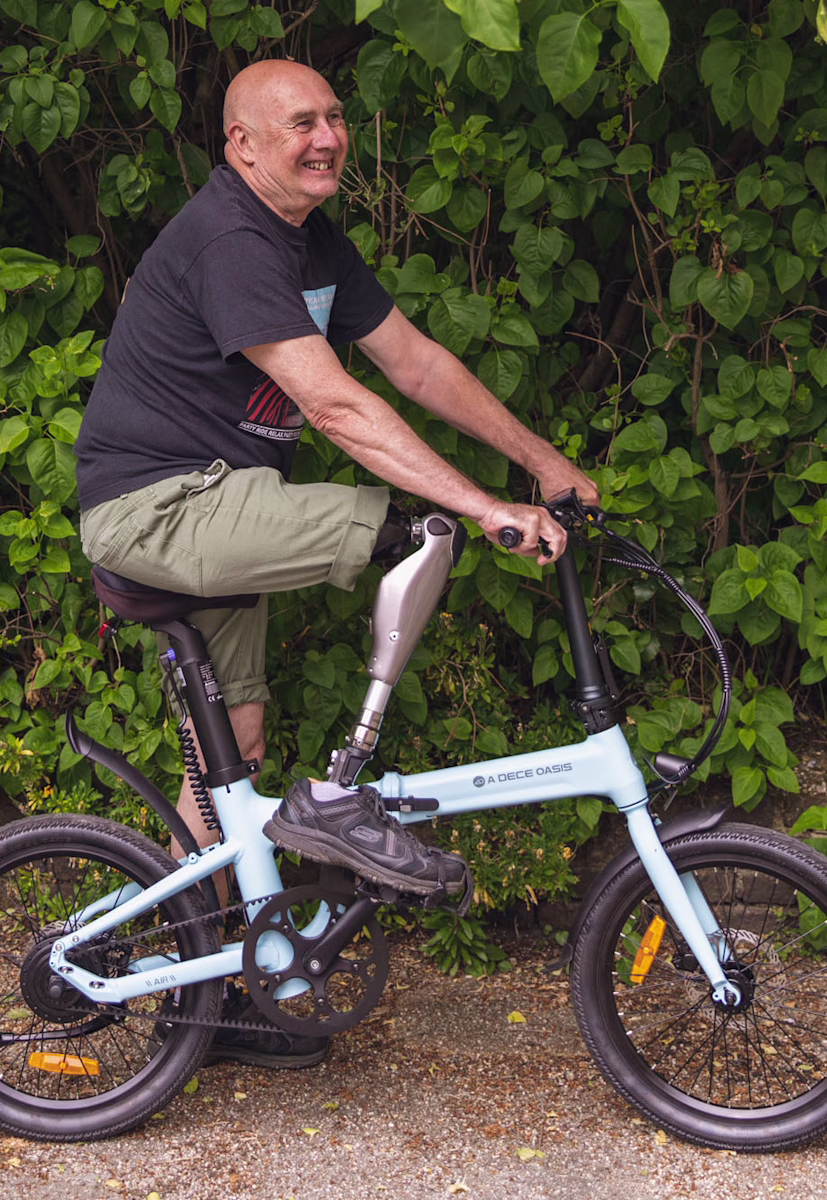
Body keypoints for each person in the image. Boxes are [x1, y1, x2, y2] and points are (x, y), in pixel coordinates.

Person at [74, 59, 599, 1065]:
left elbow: (413, 363)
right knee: (412, 527)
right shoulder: (234, 238)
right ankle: (341, 797)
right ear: (243, 144)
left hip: (222, 507)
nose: (325, 138)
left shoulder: (309, 240)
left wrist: (539, 461)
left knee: (231, 758)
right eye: (299, 123)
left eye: (334, 119)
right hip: (163, 509)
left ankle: (212, 994)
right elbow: (337, 405)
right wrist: (484, 506)